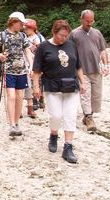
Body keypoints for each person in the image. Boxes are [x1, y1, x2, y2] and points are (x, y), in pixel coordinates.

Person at [32, 20, 86, 163]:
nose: (64, 38)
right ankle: (54, 134)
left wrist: (83, 82)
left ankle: (68, 147)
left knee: (70, 116)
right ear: (54, 33)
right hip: (52, 87)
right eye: (61, 35)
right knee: (55, 116)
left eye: (66, 35)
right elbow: (36, 70)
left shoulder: (71, 45)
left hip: (71, 86)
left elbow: (78, 66)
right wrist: (36, 87)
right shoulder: (43, 47)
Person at [0, 11, 34, 137]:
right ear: (14, 22)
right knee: (11, 96)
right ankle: (12, 125)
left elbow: (27, 52)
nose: (23, 26)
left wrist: (31, 66)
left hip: (21, 71)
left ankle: (16, 123)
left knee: (20, 96)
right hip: (8, 70)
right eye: (21, 23)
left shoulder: (22, 36)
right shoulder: (2, 35)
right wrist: (0, 55)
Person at [69, 10, 110, 133]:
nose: (89, 23)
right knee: (85, 94)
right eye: (87, 21)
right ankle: (89, 117)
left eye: (91, 21)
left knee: (96, 95)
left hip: (96, 69)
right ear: (81, 19)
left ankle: (88, 114)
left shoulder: (97, 33)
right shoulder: (74, 34)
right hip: (82, 71)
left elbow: (103, 50)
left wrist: (106, 64)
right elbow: (69, 51)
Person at [24, 19, 45, 118]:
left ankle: (38, 100)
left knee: (37, 81)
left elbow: (43, 49)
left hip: (37, 62)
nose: (26, 30)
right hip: (29, 62)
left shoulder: (37, 38)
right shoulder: (26, 38)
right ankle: (38, 100)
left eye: (27, 28)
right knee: (34, 81)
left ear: (32, 29)